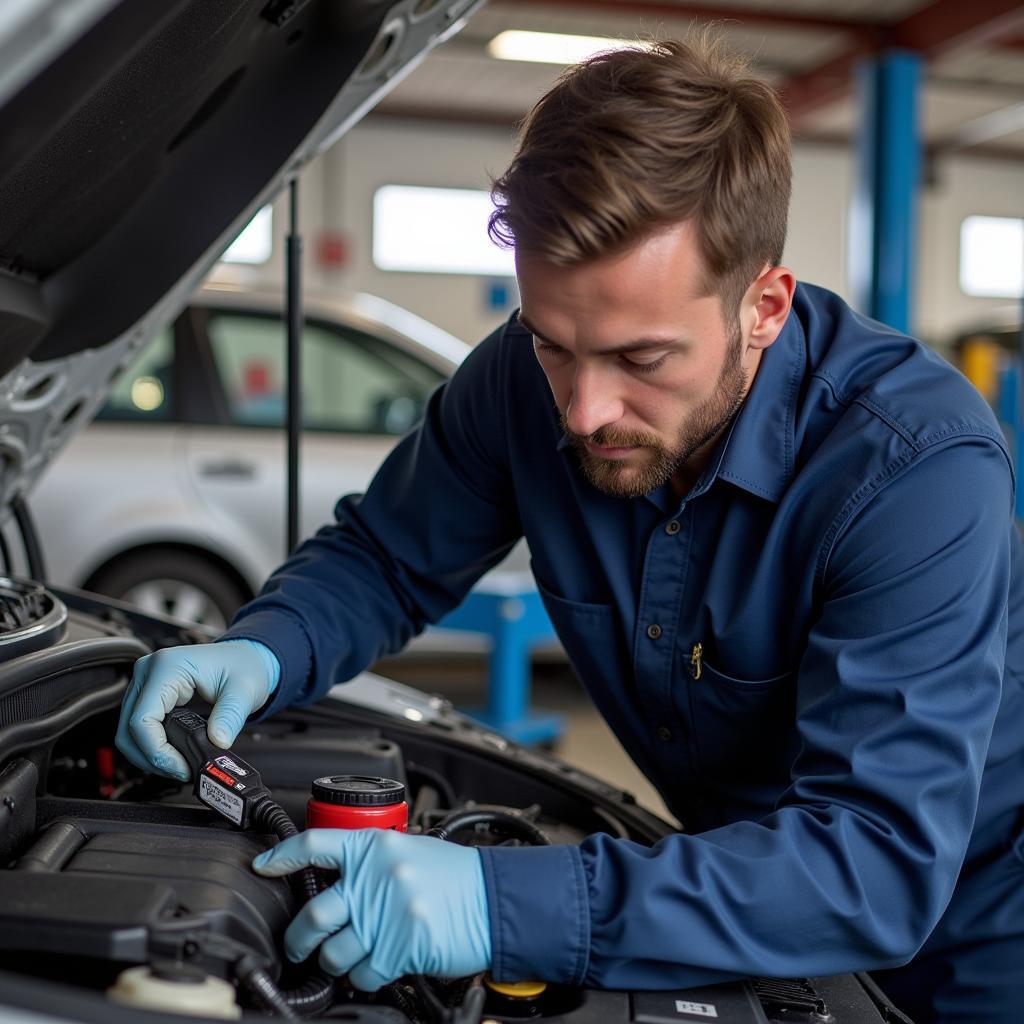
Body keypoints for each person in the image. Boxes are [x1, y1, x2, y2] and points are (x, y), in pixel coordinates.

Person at [116, 34, 1024, 1023]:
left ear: (762, 305)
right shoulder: (518, 380)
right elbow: (385, 556)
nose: (585, 410)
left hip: (978, 926)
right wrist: (260, 647)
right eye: (556, 344)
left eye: (642, 357)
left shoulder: (913, 465)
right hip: (726, 894)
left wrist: (500, 904)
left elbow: (875, 864)